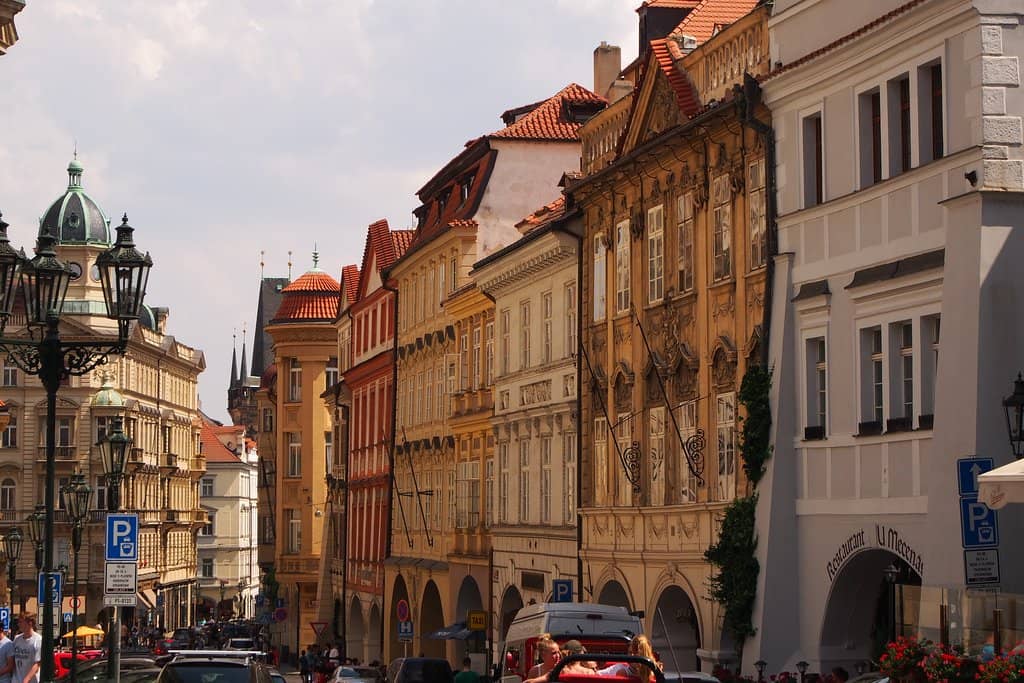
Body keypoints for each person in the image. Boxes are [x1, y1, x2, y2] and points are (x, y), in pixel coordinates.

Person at [12, 614, 41, 683]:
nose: (18, 624)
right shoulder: (17, 639)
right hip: (16, 680)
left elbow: (37, 663)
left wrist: (27, 679)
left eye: (21, 622)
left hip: (31, 681)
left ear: (30, 623)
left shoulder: (38, 640)